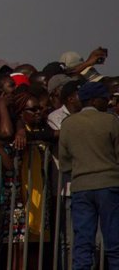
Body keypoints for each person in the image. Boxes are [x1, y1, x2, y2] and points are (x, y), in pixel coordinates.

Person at [59, 82, 119, 269]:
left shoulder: (68, 124)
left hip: (81, 187)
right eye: (104, 98)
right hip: (109, 185)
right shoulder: (111, 120)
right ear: (94, 100)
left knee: (83, 241)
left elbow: (65, 161)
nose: (108, 102)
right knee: (114, 240)